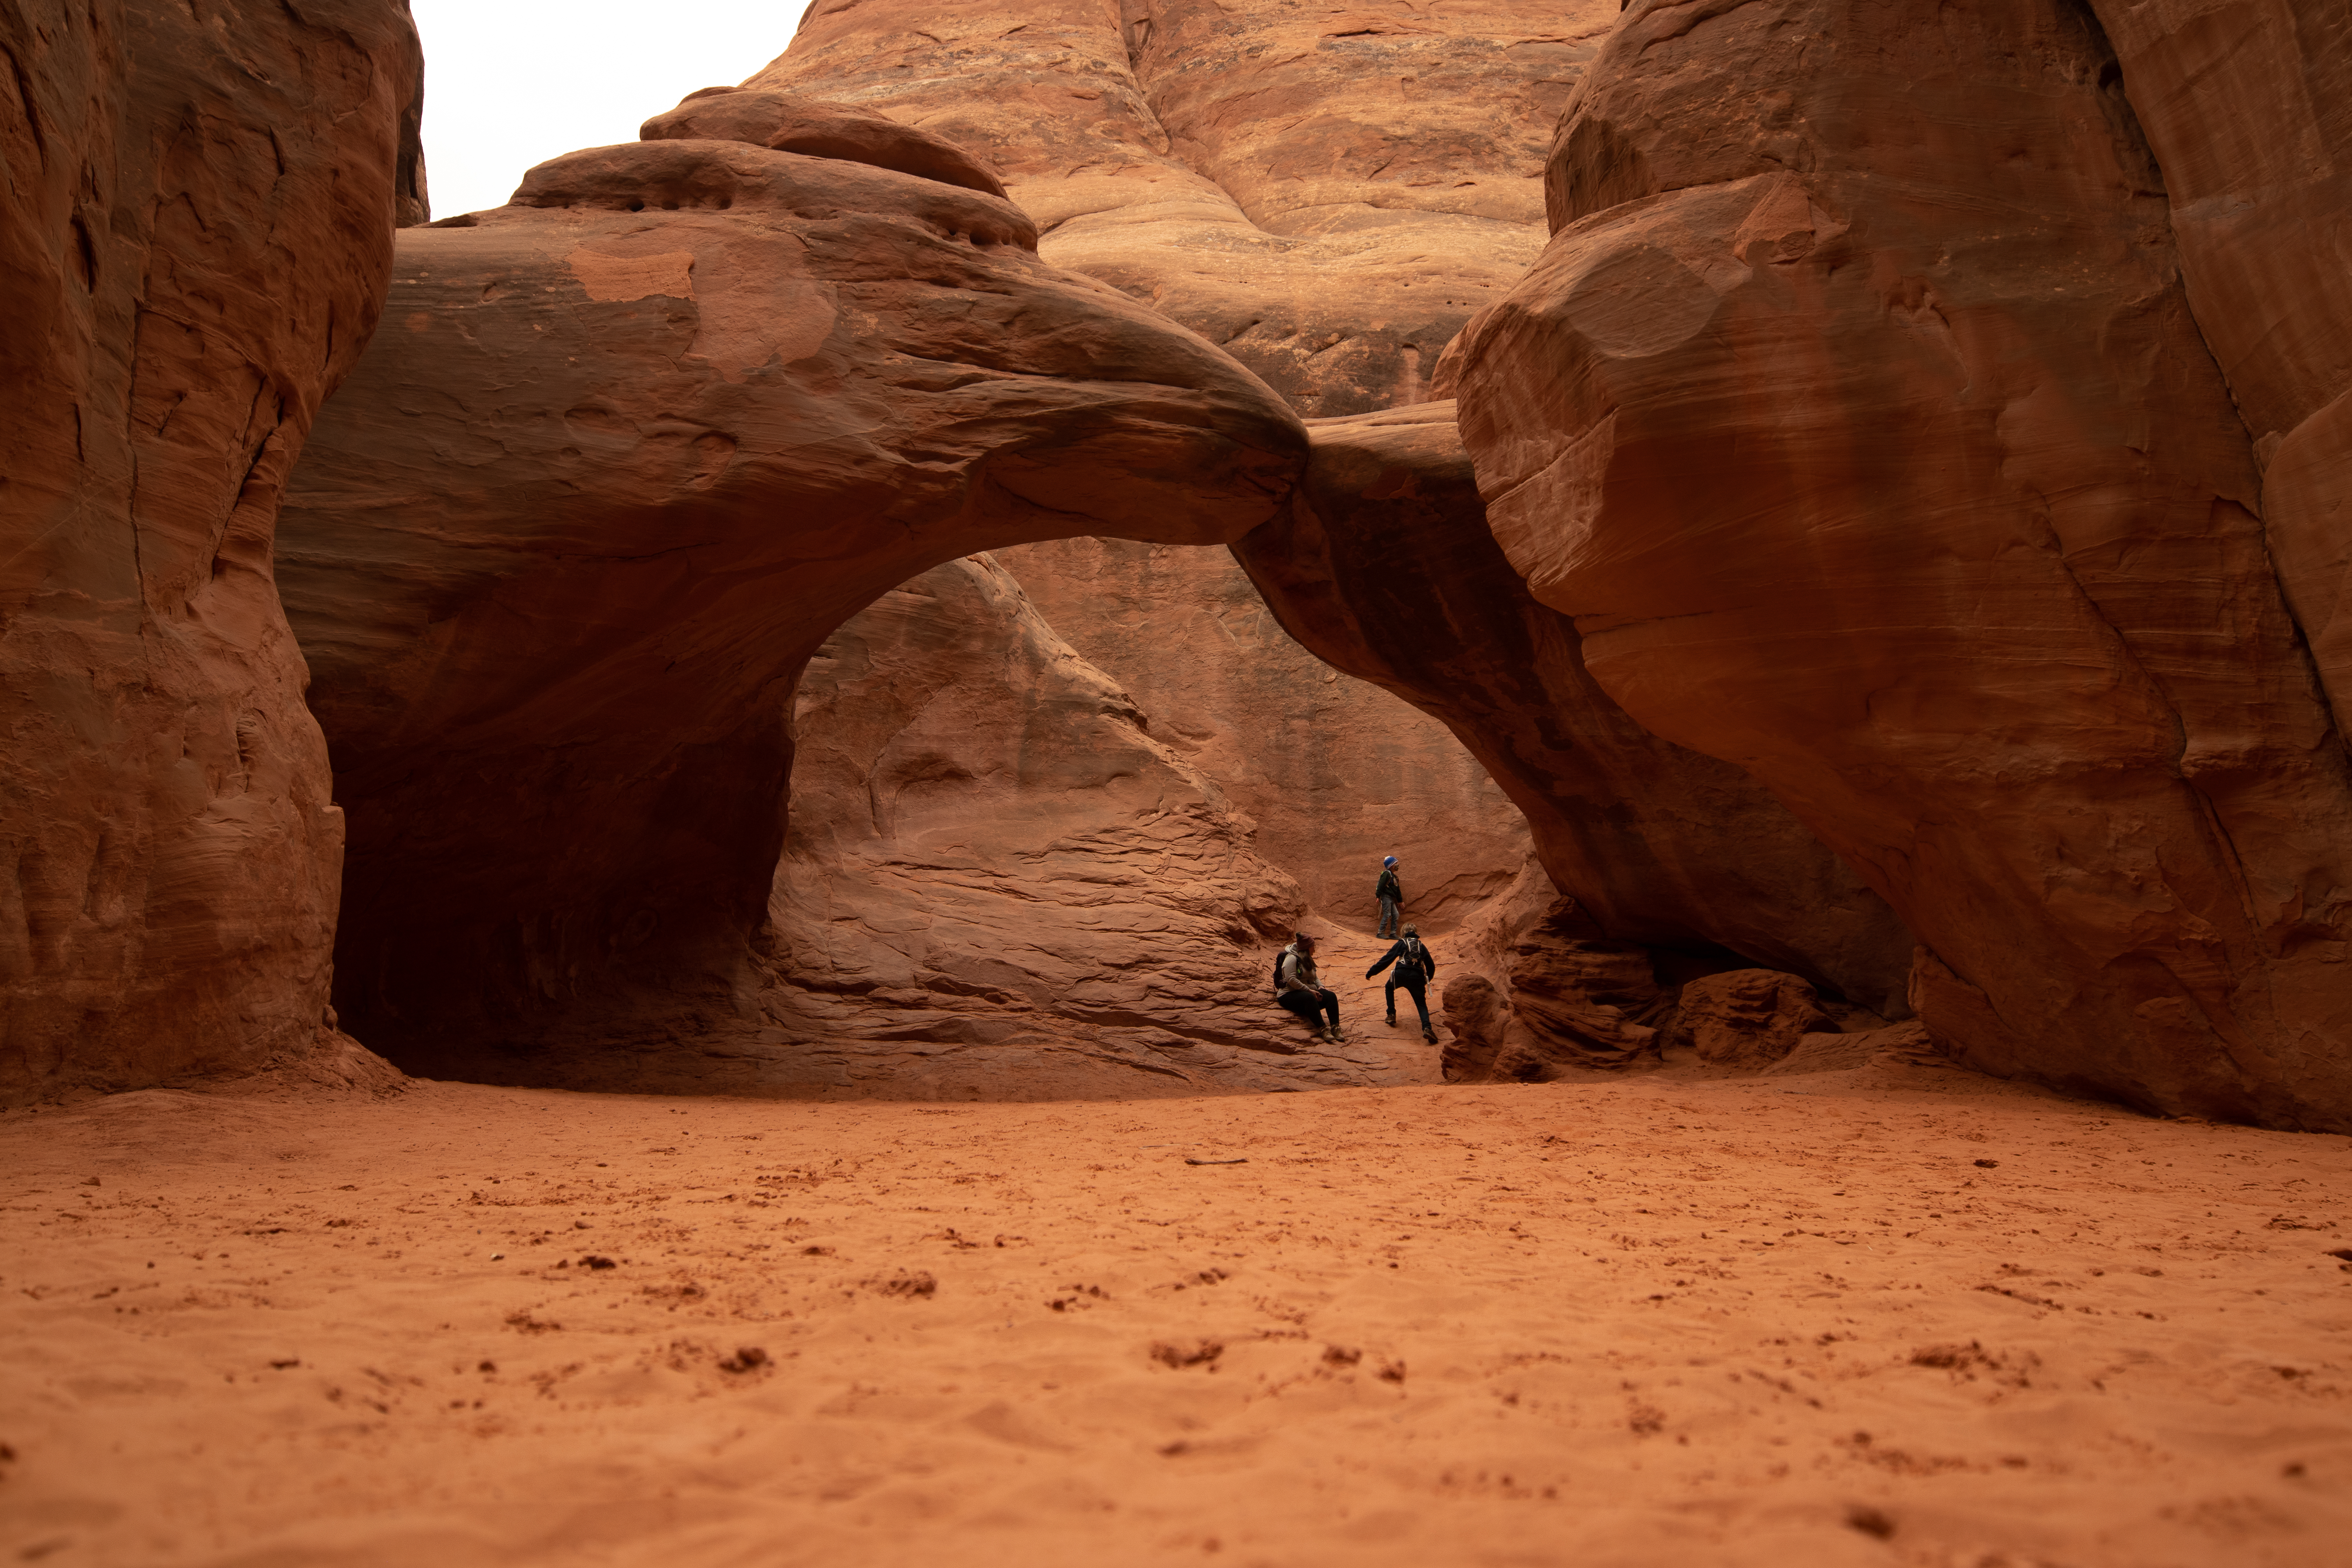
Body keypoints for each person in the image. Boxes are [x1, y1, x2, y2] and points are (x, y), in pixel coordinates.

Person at [1367, 923, 1439, 1044]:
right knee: (1421, 1004)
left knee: (1389, 987)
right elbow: (1431, 966)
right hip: (1417, 977)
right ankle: (1427, 1029)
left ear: (1403, 932)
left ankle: (1391, 1015)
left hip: (1400, 974)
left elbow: (1388, 959)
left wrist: (1372, 972)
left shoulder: (1402, 943)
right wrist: (1426, 981)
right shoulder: (1422, 946)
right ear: (1415, 932)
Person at [1274, 931, 1345, 1043]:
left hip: (1307, 993)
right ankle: (1323, 1029)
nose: (1315, 949)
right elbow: (1291, 980)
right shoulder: (1291, 959)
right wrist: (1310, 990)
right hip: (1288, 994)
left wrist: (1320, 987)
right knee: (1309, 998)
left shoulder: (1308, 959)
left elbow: (1315, 978)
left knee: (1331, 996)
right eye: (1313, 946)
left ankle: (1335, 1027)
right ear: (1307, 948)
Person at [1375, 855, 1403, 938]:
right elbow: (1381, 885)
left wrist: (1400, 900)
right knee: (1387, 914)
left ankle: (1393, 934)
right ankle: (1380, 933)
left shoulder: (1395, 877)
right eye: (1396, 864)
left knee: (1396, 915)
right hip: (1386, 897)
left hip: (1392, 898)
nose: (1397, 865)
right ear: (1391, 866)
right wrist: (1378, 896)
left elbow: (1397, 890)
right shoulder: (1387, 874)